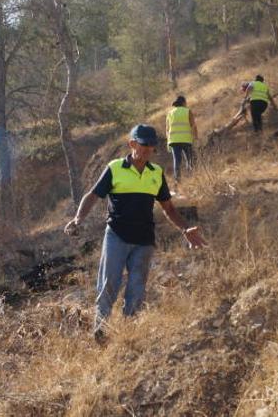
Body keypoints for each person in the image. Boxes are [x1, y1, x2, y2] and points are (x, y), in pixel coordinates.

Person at [64, 124, 207, 342]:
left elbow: (168, 208)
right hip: (117, 236)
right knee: (109, 283)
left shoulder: (156, 173)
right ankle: (101, 331)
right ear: (132, 144)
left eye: (152, 146)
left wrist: (185, 229)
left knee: (137, 290)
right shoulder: (115, 168)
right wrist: (78, 218)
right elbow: (93, 195)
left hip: (144, 241)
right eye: (144, 145)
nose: (148, 149)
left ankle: (129, 336)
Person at [165, 96, 198, 184]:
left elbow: (167, 129)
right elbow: (193, 126)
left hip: (173, 141)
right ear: (183, 103)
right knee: (190, 160)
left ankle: (177, 181)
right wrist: (196, 137)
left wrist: (168, 142)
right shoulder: (187, 111)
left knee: (177, 161)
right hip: (186, 140)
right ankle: (191, 178)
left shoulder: (170, 113)